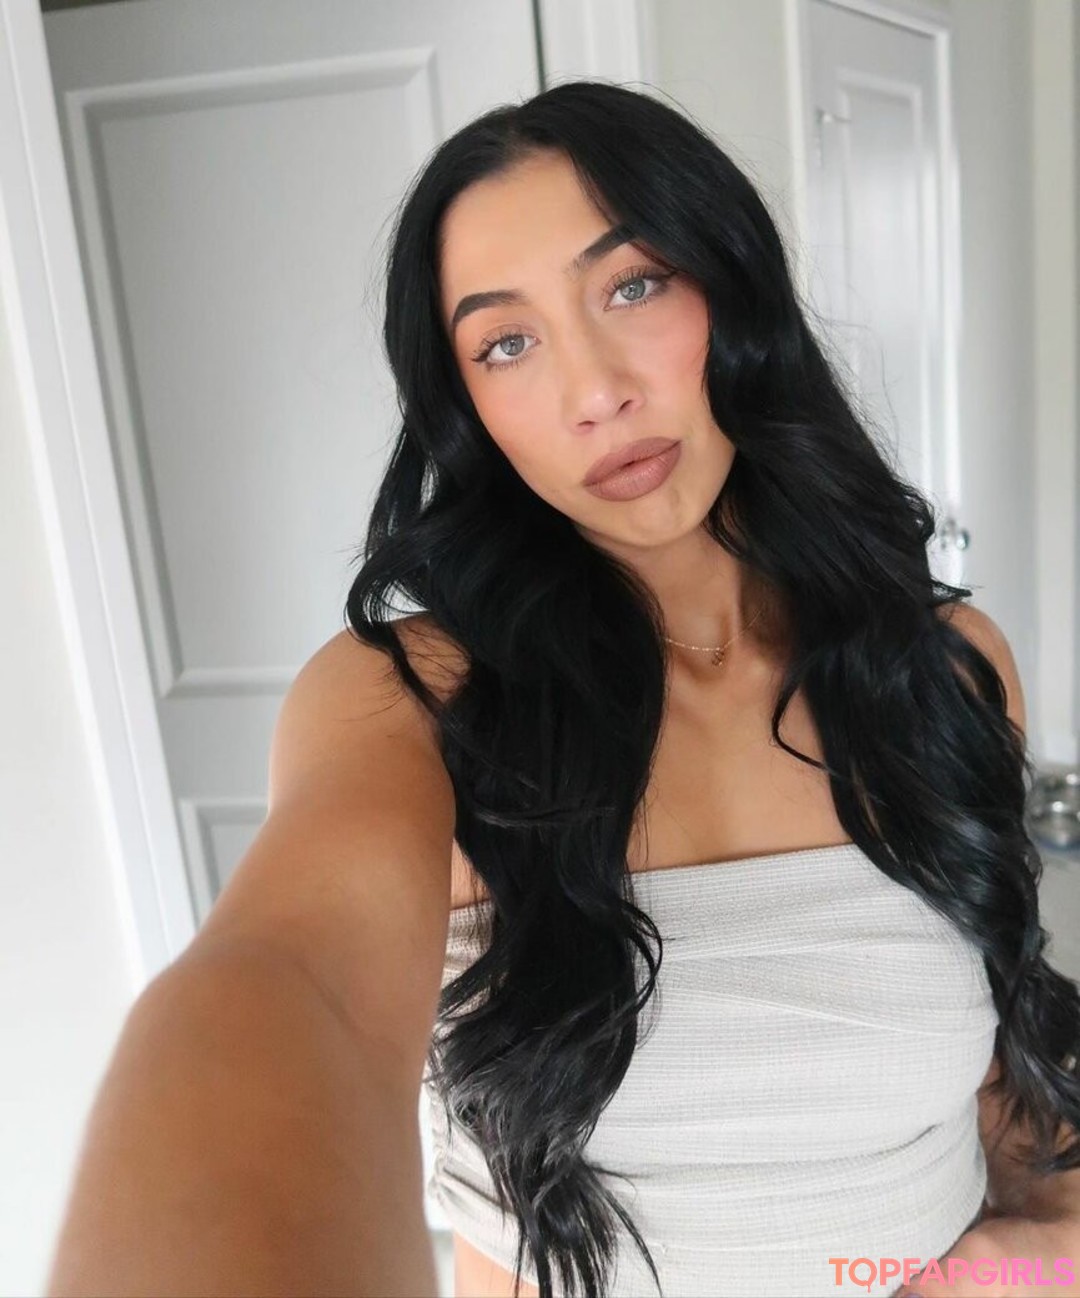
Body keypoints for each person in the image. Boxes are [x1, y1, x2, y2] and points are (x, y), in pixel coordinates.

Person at [46, 80, 1079, 1298]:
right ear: (466, 404)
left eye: (634, 285)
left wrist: (1038, 1248)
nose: (596, 392)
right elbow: (292, 985)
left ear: (735, 283)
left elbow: (1008, 1068)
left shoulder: (945, 662)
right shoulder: (412, 704)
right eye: (507, 342)